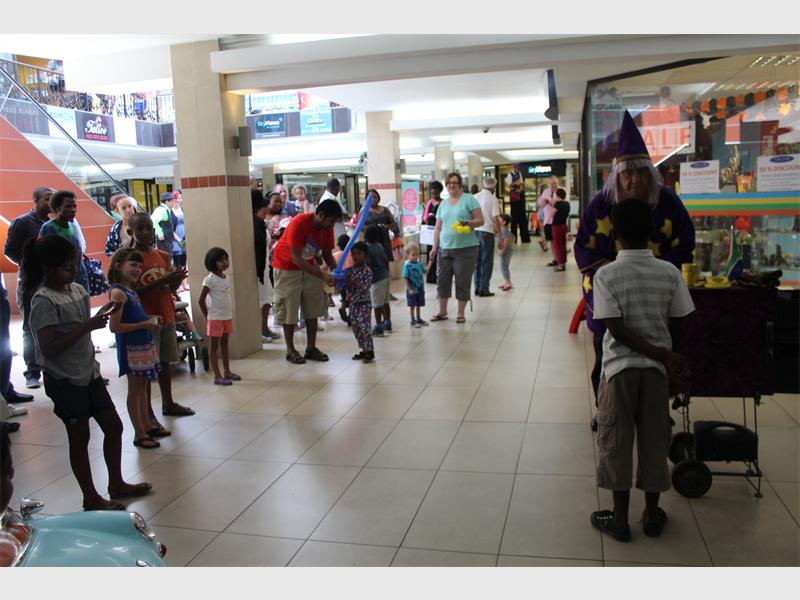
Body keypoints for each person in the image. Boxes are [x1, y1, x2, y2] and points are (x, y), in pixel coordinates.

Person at [574, 110, 695, 430]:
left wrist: (657, 271)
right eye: (627, 173)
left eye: (641, 172)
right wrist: (616, 273)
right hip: (609, 292)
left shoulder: (668, 203)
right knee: (605, 353)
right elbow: (584, 247)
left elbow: (685, 243)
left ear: (650, 174)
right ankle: (606, 409)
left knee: (658, 352)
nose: (635, 180)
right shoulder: (600, 204)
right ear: (617, 176)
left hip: (655, 294)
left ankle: (656, 409)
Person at [590, 198, 695, 543]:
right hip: (655, 373)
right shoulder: (669, 272)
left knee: (616, 442)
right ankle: (651, 515)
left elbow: (615, 329)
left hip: (618, 371)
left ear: (615, 234)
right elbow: (679, 321)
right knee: (654, 441)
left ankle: (619, 520)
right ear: (651, 231)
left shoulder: (606, 274)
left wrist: (661, 354)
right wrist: (669, 358)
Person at [25, 235, 152, 510]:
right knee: (80, 435)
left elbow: (83, 326)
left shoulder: (77, 291)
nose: (73, 271)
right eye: (67, 267)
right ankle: (90, 498)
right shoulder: (43, 300)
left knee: (114, 426)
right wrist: (87, 326)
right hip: (65, 379)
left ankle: (116, 483)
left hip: (88, 372)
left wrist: (100, 316)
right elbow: (49, 347)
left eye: (75, 265)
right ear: (48, 268)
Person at [128, 213, 194, 429]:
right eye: (140, 229)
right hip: (146, 319)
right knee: (148, 368)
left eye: (149, 228)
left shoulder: (163, 255)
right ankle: (147, 413)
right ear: (130, 232)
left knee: (165, 362)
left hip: (165, 314)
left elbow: (168, 288)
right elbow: (131, 291)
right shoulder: (130, 258)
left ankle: (168, 403)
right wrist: (161, 282)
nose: (146, 233)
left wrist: (175, 281)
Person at [271, 201, 342, 364]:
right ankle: (290, 350)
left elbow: (327, 254)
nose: (332, 226)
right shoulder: (299, 222)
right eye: (331, 221)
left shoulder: (326, 227)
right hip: (286, 266)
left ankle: (311, 348)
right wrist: (322, 276)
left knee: (313, 308)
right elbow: (296, 258)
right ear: (321, 215)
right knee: (289, 309)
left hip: (308, 265)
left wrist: (338, 272)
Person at [107, 248, 162, 449]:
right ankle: (139, 433)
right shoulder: (118, 292)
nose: (138, 269)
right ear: (118, 265)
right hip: (132, 348)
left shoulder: (129, 290)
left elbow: (133, 316)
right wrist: (144, 324)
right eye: (133, 265)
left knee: (142, 388)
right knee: (135, 390)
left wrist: (149, 319)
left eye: (140, 266)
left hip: (142, 344)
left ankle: (146, 425)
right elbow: (115, 326)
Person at [4, 186, 53, 389]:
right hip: (30, 283)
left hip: (50, 281)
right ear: (36, 201)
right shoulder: (22, 222)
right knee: (30, 327)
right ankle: (32, 372)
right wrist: (28, 265)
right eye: (46, 199)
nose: (50, 202)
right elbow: (9, 250)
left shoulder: (51, 224)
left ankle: (51, 368)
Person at [429, 172, 484, 324]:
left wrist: (469, 222)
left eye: (454, 182)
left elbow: (481, 220)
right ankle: (442, 311)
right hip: (444, 249)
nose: (451, 185)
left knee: (462, 281)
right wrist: (434, 247)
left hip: (466, 249)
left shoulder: (469, 199)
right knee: (442, 280)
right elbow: (438, 228)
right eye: (449, 183)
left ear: (460, 185)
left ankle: (460, 313)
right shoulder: (443, 204)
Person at [198, 247, 241, 386]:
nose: (225, 262)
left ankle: (227, 371)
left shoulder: (227, 278)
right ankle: (217, 375)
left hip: (226, 317)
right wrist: (207, 316)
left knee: (225, 344)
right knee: (214, 347)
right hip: (215, 318)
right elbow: (201, 300)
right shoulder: (209, 280)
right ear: (212, 262)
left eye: (226, 259)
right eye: (220, 260)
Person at [37, 190, 90, 294]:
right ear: (57, 208)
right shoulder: (48, 228)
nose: (73, 209)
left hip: (79, 278)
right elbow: (43, 257)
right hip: (59, 282)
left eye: (74, 206)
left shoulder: (73, 226)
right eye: (68, 206)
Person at [253, 190, 280, 343]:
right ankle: (259, 331)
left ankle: (264, 328)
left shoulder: (260, 223)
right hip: (259, 269)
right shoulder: (254, 224)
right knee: (260, 300)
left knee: (267, 299)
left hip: (265, 267)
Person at [345, 241, 374, 363]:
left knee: (364, 326)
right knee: (356, 327)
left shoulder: (367, 271)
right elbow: (344, 287)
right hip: (353, 304)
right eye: (353, 254)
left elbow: (364, 287)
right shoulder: (349, 271)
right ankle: (363, 349)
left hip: (364, 303)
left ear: (365, 255)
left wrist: (352, 282)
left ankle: (369, 351)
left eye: (359, 253)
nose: (356, 256)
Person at [473, 176, 501, 297]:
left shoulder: (475, 197)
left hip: (475, 231)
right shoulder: (493, 198)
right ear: (493, 187)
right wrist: (499, 233)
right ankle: (484, 288)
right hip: (487, 231)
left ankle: (477, 287)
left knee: (477, 261)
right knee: (486, 261)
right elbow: (495, 218)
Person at [359, 189, 399, 266]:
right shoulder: (363, 211)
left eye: (375, 197)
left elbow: (393, 224)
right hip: (370, 242)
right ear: (366, 199)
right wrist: (372, 228)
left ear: (379, 198)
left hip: (384, 240)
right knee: (371, 262)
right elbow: (359, 227)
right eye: (371, 197)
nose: (373, 199)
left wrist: (386, 226)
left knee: (385, 261)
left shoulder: (385, 210)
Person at [365, 225, 391, 336]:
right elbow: (386, 260)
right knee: (385, 302)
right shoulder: (380, 246)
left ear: (365, 237)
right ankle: (387, 322)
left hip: (376, 279)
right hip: (385, 276)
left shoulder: (367, 248)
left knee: (376, 305)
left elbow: (369, 264)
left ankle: (379, 327)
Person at [422, 181, 443, 284]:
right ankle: (430, 277)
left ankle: (439, 275)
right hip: (429, 231)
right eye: (432, 193)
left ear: (439, 192)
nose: (434, 195)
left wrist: (435, 217)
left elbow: (444, 217)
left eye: (436, 193)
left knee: (439, 253)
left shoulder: (443, 203)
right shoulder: (429, 203)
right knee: (430, 252)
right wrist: (428, 217)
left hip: (440, 230)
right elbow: (424, 217)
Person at [403, 243, 428, 328]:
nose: (416, 256)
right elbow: (406, 278)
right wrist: (409, 289)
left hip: (420, 289)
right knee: (412, 305)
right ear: (407, 255)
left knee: (418, 305)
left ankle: (418, 318)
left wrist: (430, 262)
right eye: (413, 255)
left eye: (417, 254)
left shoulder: (419, 264)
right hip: (412, 290)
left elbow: (425, 271)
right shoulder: (407, 266)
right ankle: (413, 320)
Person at [505, 164, 530, 243]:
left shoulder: (520, 174)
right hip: (514, 195)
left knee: (522, 217)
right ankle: (514, 238)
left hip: (520, 194)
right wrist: (516, 183)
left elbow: (521, 183)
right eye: (517, 169)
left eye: (519, 169)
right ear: (514, 168)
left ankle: (525, 238)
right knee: (514, 217)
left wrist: (521, 186)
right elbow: (509, 184)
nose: (518, 170)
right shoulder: (510, 174)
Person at [333, 234, 354, 325]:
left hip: (340, 281)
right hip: (351, 279)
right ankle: (350, 317)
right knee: (352, 299)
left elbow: (328, 266)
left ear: (338, 244)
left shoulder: (335, 255)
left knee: (344, 296)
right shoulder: (352, 254)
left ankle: (342, 308)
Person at [537, 176, 560, 259]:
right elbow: (540, 205)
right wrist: (547, 201)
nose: (554, 185)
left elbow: (558, 204)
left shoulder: (561, 191)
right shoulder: (546, 192)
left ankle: (559, 258)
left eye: (556, 183)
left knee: (558, 240)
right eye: (553, 183)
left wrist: (549, 201)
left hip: (558, 220)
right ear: (550, 184)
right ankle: (555, 258)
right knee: (552, 241)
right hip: (547, 220)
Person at [151, 192, 179, 256]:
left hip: (167, 241)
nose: (173, 203)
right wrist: (160, 233)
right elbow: (153, 221)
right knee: (165, 257)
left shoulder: (166, 210)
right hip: (164, 242)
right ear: (167, 202)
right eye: (172, 201)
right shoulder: (161, 210)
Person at [552, 188, 571, 272]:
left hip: (557, 226)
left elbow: (552, 214)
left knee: (557, 245)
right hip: (564, 225)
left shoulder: (557, 204)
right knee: (563, 245)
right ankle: (563, 262)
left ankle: (560, 264)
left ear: (557, 195)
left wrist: (553, 204)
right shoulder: (567, 204)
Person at [497, 214, 514, 291]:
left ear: (504, 222)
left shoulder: (503, 230)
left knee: (503, 267)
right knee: (505, 267)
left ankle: (508, 283)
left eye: (499, 220)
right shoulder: (505, 229)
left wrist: (502, 250)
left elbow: (506, 240)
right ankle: (506, 282)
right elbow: (513, 237)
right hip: (508, 251)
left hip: (506, 252)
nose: (497, 221)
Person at [171, 190, 187, 269]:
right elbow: (171, 230)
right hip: (176, 241)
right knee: (178, 265)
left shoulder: (183, 210)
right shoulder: (170, 212)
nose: (179, 200)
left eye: (180, 198)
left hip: (184, 240)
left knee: (184, 264)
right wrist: (180, 241)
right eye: (177, 198)